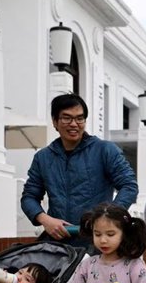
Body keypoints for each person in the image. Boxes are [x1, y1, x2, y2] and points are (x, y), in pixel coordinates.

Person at [21, 94, 138, 249]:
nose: (74, 124)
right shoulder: (43, 158)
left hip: (96, 244)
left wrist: (107, 218)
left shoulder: (105, 150)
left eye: (79, 118)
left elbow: (129, 186)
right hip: (57, 245)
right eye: (67, 118)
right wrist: (45, 220)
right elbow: (29, 197)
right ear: (55, 122)